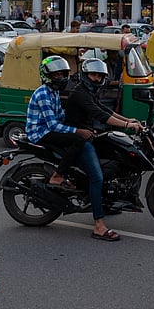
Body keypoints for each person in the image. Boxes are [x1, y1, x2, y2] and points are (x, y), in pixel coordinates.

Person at [25, 55, 119, 242]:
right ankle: (98, 225)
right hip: (40, 133)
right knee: (81, 142)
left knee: (83, 137)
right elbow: (53, 125)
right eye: (57, 74)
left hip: (52, 129)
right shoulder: (44, 93)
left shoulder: (54, 92)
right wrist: (79, 130)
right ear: (48, 75)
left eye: (63, 74)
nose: (61, 77)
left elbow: (64, 116)